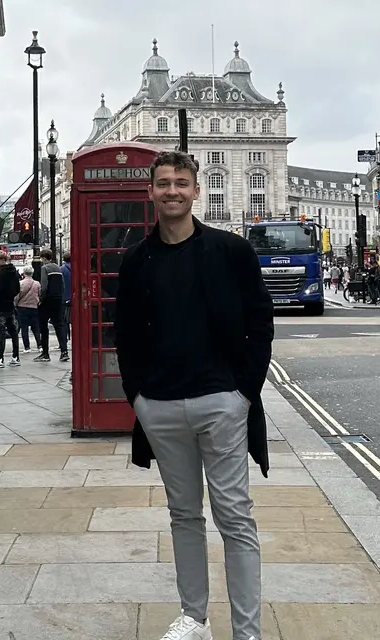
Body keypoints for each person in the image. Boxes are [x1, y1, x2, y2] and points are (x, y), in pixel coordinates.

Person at [115, 151, 274, 640]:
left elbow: (260, 323)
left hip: (222, 403)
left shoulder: (231, 251)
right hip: (159, 407)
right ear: (151, 192)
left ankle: (247, 632)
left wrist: (244, 394)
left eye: (181, 183)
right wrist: (138, 397)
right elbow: (124, 335)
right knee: (183, 515)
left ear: (196, 191)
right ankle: (194, 619)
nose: (172, 191)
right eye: (163, 183)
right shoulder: (135, 260)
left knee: (235, 519)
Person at [34, 249, 69, 363]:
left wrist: (41, 299)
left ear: (44, 258)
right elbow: (62, 285)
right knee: (59, 325)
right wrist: (60, 296)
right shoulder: (58, 268)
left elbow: (44, 286)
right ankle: (64, 352)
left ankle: (45, 353)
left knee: (43, 326)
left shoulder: (45, 268)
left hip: (47, 300)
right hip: (58, 300)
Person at [0, 250, 21, 368]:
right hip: (9, 305)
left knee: (1, 331)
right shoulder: (14, 272)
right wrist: (10, 297)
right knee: (13, 330)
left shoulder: (0, 273)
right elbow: (17, 288)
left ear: (2, 260)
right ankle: (15, 357)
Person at [15, 265, 41, 353]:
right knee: (36, 327)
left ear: (24, 273)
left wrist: (16, 304)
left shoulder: (20, 283)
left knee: (24, 328)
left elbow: (17, 296)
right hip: (34, 307)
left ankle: (27, 347)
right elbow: (40, 295)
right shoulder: (37, 284)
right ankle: (39, 345)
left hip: (22, 307)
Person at [60, 251, 71, 342]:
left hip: (64, 297)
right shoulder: (78, 267)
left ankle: (65, 339)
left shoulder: (61, 269)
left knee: (63, 320)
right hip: (76, 297)